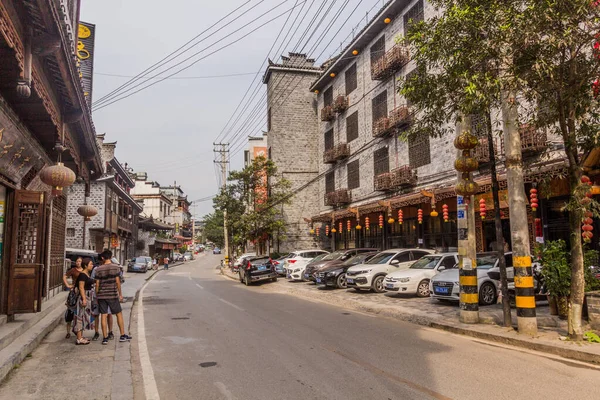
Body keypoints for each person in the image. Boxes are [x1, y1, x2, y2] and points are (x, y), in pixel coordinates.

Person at [95, 250, 132, 345]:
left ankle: (105, 338)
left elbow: (97, 284)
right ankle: (122, 335)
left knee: (103, 315)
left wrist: (97, 295)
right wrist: (120, 294)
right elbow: (117, 282)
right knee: (118, 314)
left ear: (102, 258)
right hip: (112, 294)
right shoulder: (116, 267)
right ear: (111, 257)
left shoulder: (98, 269)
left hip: (102, 295)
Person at [73, 258, 97, 345]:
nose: (92, 265)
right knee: (80, 316)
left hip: (87, 296)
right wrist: (83, 298)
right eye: (90, 264)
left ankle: (81, 336)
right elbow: (81, 287)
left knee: (83, 317)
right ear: (86, 265)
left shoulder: (87, 274)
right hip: (84, 297)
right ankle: (79, 338)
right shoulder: (83, 275)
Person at [62, 257, 83, 339]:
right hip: (74, 292)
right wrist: (68, 285)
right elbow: (64, 276)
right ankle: (68, 332)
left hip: (81, 292)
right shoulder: (73, 270)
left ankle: (78, 331)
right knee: (70, 311)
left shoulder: (84, 270)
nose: (78, 263)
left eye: (80, 261)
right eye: (77, 261)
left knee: (79, 312)